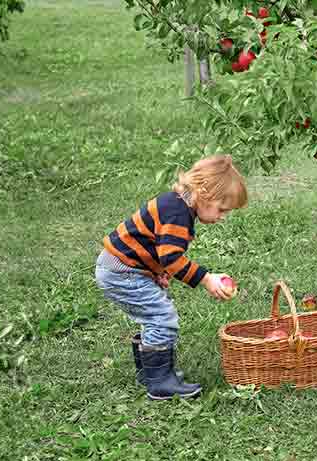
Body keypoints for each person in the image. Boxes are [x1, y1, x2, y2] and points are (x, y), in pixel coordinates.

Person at [94, 154, 248, 399]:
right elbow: (172, 258)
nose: (222, 217)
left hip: (122, 267)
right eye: (222, 209)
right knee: (161, 316)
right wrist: (206, 279)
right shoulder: (177, 213)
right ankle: (160, 382)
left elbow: (156, 247)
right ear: (204, 192)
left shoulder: (176, 205)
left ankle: (150, 373)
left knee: (153, 313)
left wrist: (156, 272)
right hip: (120, 272)